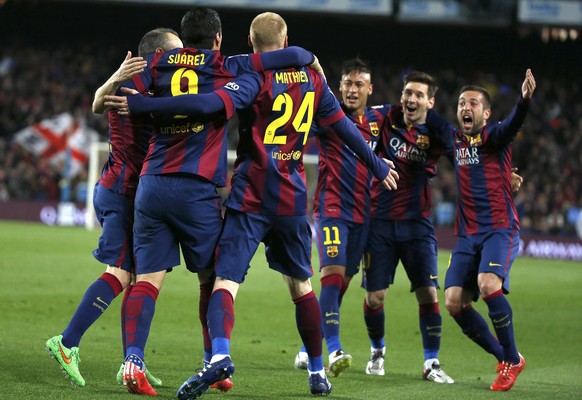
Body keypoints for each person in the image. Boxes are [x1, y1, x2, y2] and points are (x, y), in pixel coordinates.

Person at [106, 11, 398, 399]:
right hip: (292, 197)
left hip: (250, 193)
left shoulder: (246, 74)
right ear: (287, 37)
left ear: (248, 39)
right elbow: (344, 127)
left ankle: (219, 357)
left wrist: (141, 105)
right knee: (302, 288)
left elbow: (210, 102)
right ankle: (316, 371)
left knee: (224, 281)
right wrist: (377, 165)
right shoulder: (312, 78)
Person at [45, 28, 181, 389]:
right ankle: (67, 342)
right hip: (122, 191)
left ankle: (131, 360)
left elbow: (95, 102)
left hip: (125, 190)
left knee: (138, 279)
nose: (185, 60)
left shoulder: (138, 82)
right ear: (157, 54)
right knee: (121, 273)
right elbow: (97, 103)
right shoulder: (136, 85)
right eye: (178, 52)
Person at [427, 69, 536, 391]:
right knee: (453, 301)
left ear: (485, 113)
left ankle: (512, 359)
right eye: (461, 102)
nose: (465, 107)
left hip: (499, 229)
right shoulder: (453, 140)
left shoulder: (495, 136)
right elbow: (429, 118)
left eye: (473, 103)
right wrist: (413, 97)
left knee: (488, 285)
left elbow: (515, 122)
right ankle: (505, 356)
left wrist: (525, 100)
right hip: (467, 234)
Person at [294, 57, 390, 377]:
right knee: (332, 277)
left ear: (369, 89)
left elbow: (411, 117)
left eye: (359, 84)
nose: (352, 89)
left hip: (364, 215)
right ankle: (333, 350)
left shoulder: (379, 119)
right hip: (331, 209)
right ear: (340, 86)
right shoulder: (327, 117)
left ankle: (312, 345)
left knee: (343, 283)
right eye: (347, 83)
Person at [361, 71, 455, 382]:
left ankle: (432, 363)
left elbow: (466, 156)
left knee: (428, 293)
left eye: (418, 95)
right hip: (379, 223)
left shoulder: (440, 129)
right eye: (407, 93)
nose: (411, 99)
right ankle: (377, 352)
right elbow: (353, 118)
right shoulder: (386, 116)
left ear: (430, 100)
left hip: (417, 225)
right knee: (375, 297)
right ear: (401, 96)